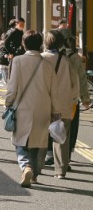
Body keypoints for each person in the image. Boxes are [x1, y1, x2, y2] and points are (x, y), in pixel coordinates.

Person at [5, 30, 65, 187]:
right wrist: (56, 111)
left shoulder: (17, 61)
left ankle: (26, 167)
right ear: (40, 45)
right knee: (38, 142)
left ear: (23, 44)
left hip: (23, 107)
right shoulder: (47, 64)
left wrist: (8, 102)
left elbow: (12, 87)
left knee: (20, 142)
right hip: (43, 108)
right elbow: (54, 91)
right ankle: (34, 174)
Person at [42, 30, 80, 178]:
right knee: (61, 137)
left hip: (43, 103)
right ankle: (61, 170)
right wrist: (73, 100)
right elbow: (74, 83)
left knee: (40, 135)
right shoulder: (65, 60)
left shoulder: (41, 59)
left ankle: (36, 167)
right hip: (64, 104)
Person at [63, 36, 92, 162]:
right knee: (71, 127)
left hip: (55, 98)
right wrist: (85, 98)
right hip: (73, 99)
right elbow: (82, 79)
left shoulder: (55, 57)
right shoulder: (76, 58)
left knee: (54, 125)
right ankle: (67, 156)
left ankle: (51, 154)